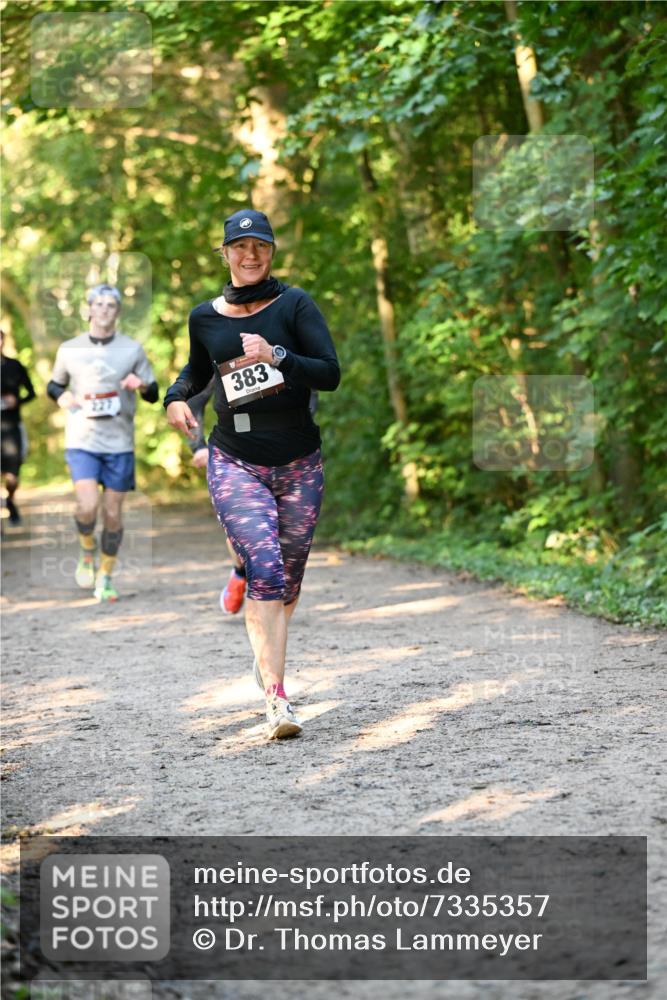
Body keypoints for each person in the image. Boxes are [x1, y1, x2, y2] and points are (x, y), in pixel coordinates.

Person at [165, 208, 340, 740]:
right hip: (235, 458)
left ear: (271, 251)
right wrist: (175, 396)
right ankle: (277, 699)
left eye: (260, 246)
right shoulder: (204, 317)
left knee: (288, 581)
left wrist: (278, 354)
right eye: (240, 247)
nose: (250, 255)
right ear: (225, 253)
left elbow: (329, 373)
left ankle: (266, 657)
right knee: (264, 567)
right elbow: (198, 370)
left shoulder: (295, 304)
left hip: (299, 461)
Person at [47, 284, 159, 602]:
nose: (105, 310)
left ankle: (105, 576)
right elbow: (53, 385)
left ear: (118, 311)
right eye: (99, 304)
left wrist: (141, 385)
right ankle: (87, 550)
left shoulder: (132, 349)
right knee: (87, 506)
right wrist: (61, 396)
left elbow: (153, 393)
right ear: (89, 309)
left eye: (111, 305)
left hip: (119, 443)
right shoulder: (70, 349)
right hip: (82, 439)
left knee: (112, 514)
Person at [188, 376, 248, 615]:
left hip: (286, 452)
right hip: (233, 453)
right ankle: (240, 573)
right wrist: (198, 446)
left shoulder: (284, 354)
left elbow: (309, 392)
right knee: (241, 528)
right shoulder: (221, 354)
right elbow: (195, 400)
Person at [1, 329, 36, 526]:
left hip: (11, 427)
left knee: (12, 475)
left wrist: (17, 401)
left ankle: (10, 500)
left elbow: (32, 392)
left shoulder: (14, 366)